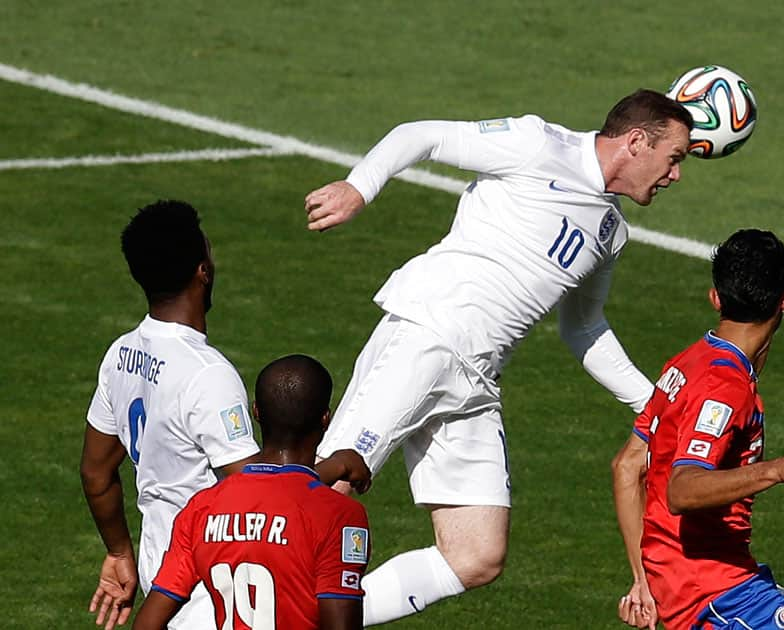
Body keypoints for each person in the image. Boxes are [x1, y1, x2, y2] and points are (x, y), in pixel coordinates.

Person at [304, 89, 695, 624]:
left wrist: (653, 404)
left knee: (476, 555)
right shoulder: (539, 144)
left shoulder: (611, 231)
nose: (675, 175)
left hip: (477, 379)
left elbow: (583, 327)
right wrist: (359, 187)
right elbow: (425, 134)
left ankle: (312, 618)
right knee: (326, 489)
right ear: (635, 142)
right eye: (674, 158)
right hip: (429, 335)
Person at [612, 229, 784, 629]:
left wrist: (644, 580)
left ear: (715, 298)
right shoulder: (724, 387)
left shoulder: (687, 363)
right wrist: (777, 469)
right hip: (714, 592)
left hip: (695, 585)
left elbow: (626, 466)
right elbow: (682, 489)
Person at [81, 200, 262, 630]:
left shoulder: (121, 353)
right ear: (203, 270)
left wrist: (119, 552)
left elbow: (96, 472)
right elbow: (254, 490)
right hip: (212, 579)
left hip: (155, 563)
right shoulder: (207, 373)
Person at [133, 354, 370, 630]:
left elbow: (147, 624)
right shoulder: (339, 516)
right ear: (325, 419)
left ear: (256, 412)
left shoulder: (202, 508)